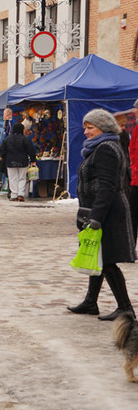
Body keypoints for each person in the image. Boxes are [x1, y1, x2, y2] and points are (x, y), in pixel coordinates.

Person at [68, 109, 135, 320]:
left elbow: (107, 186)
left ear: (103, 128)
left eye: (91, 128)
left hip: (107, 212)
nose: (86, 132)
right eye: (85, 127)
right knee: (97, 255)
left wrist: (97, 216)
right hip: (97, 209)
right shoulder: (98, 147)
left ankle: (125, 307)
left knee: (107, 260)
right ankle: (91, 302)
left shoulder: (106, 149)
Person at [0, 123, 36, 202]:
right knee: (22, 178)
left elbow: (2, 150)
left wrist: (5, 158)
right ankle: (20, 194)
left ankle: (14, 195)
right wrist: (33, 160)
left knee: (12, 178)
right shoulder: (25, 139)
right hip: (23, 161)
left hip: (10, 162)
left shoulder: (7, 139)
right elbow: (31, 150)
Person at [129, 99, 138, 242]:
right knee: (132, 215)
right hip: (135, 177)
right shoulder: (136, 128)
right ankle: (130, 249)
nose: (134, 112)